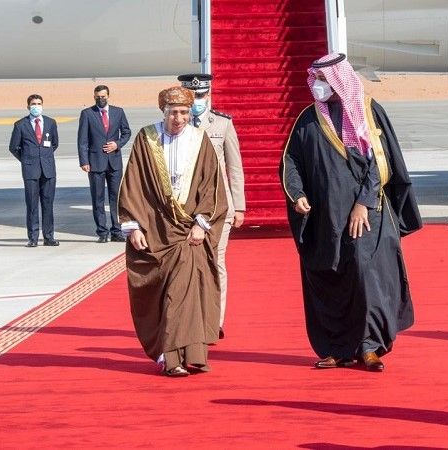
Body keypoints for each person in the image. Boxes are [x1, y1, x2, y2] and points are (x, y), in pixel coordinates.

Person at [279, 53, 422, 372]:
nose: (317, 85)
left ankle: (369, 346)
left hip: (367, 215)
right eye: (315, 79)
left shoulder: (368, 112)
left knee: (366, 276)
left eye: (323, 80)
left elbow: (381, 163)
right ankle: (337, 348)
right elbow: (291, 162)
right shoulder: (308, 118)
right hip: (325, 218)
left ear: (339, 80)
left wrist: (363, 203)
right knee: (332, 279)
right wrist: (297, 194)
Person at [118, 86, 227, 377]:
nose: (178, 118)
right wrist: (134, 226)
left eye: (183, 112)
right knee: (161, 294)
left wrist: (202, 223)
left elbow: (212, 185)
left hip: (189, 232)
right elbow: (133, 185)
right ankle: (171, 356)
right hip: (155, 230)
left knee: (184, 294)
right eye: (173, 112)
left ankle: (181, 358)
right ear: (163, 111)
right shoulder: (146, 139)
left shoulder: (199, 139)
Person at [178, 73, 246, 339]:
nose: (196, 100)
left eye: (200, 95)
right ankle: (191, 317)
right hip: (184, 208)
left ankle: (214, 321)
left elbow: (234, 167)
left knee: (216, 261)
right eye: (192, 96)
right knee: (187, 263)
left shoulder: (222, 123)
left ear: (208, 95)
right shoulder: (176, 123)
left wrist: (238, 206)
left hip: (219, 207)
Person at [77, 85, 132, 243]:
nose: (100, 99)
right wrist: (84, 161)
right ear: (94, 97)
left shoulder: (118, 112)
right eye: (97, 97)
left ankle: (117, 231)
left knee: (116, 198)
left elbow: (126, 132)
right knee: (98, 199)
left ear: (108, 96)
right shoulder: (87, 114)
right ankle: (102, 232)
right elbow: (82, 140)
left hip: (114, 162)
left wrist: (117, 144)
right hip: (95, 163)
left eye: (103, 96)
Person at [9, 94, 60, 247]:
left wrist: (44, 157)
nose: (36, 106)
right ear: (28, 107)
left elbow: (54, 143)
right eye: (33, 104)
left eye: (39, 103)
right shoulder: (20, 125)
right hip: (31, 170)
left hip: (48, 170)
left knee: (48, 204)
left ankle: (49, 236)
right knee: (32, 205)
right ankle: (33, 238)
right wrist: (26, 159)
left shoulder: (50, 123)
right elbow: (13, 147)